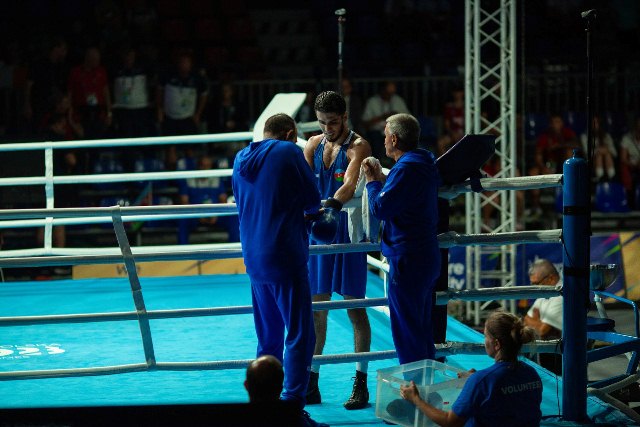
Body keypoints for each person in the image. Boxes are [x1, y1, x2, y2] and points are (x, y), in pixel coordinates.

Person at [232, 113, 326, 427]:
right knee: (300, 335)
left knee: (268, 336)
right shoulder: (288, 151)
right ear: (289, 134)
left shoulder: (240, 158)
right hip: (285, 255)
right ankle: (291, 410)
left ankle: (263, 406)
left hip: (254, 260)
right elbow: (313, 201)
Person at [303, 91, 372, 410]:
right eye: (322, 123)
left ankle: (361, 384)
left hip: (347, 230)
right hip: (318, 231)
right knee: (317, 310)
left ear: (344, 117)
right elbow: (302, 180)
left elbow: (349, 182)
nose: (327, 128)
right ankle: (312, 382)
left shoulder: (359, 146)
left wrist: (330, 205)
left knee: (355, 309)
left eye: (332, 122)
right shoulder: (313, 144)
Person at [363, 113, 440, 365]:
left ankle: (416, 395)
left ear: (394, 139)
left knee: (407, 332)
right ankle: (426, 394)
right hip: (425, 254)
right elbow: (404, 198)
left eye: (385, 137)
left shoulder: (407, 169)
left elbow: (380, 208)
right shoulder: (424, 163)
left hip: (408, 258)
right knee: (421, 328)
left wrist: (374, 182)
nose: (384, 141)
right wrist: (386, 183)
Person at [399, 311, 542, 427]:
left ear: (496, 344)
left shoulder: (481, 381)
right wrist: (476, 380)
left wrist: (416, 399)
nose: (484, 340)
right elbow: (506, 391)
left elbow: (450, 422)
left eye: (485, 336)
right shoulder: (532, 373)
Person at [524, 258, 563, 375]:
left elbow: (542, 331)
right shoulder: (545, 291)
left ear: (550, 278)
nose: (534, 288)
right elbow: (525, 319)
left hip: (560, 358)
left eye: (536, 283)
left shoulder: (560, 296)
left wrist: (535, 321)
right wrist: (537, 321)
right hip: (549, 353)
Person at [361, 81, 410, 164]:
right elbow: (365, 123)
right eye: (387, 93)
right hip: (376, 132)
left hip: (395, 132)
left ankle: (399, 166)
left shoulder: (397, 100)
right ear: (382, 90)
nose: (390, 95)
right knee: (375, 141)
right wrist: (382, 117)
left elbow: (408, 119)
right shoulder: (372, 101)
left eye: (391, 93)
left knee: (402, 140)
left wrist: (397, 117)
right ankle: (377, 167)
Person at [580, 116, 617, 182]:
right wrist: (598, 150)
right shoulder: (584, 136)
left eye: (597, 123)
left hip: (607, 160)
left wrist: (606, 150)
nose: (595, 125)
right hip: (591, 162)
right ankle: (600, 178)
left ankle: (612, 178)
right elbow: (586, 153)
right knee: (599, 156)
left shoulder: (607, 136)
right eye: (593, 123)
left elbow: (615, 153)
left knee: (607, 155)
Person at [620, 117, 640, 208]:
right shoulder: (627, 138)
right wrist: (633, 164)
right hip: (630, 165)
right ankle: (630, 201)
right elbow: (623, 158)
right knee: (624, 168)